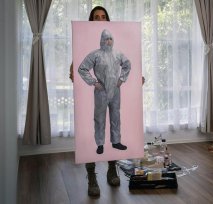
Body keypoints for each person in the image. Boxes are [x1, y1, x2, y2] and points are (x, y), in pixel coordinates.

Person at [69, 6, 120, 197]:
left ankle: (112, 168)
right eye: (96, 17)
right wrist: (90, 81)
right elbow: (78, 69)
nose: (100, 19)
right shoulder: (84, 44)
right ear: (90, 20)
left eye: (103, 16)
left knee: (114, 124)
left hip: (114, 94)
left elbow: (128, 62)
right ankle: (91, 175)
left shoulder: (115, 46)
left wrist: (135, 80)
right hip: (95, 95)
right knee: (95, 127)